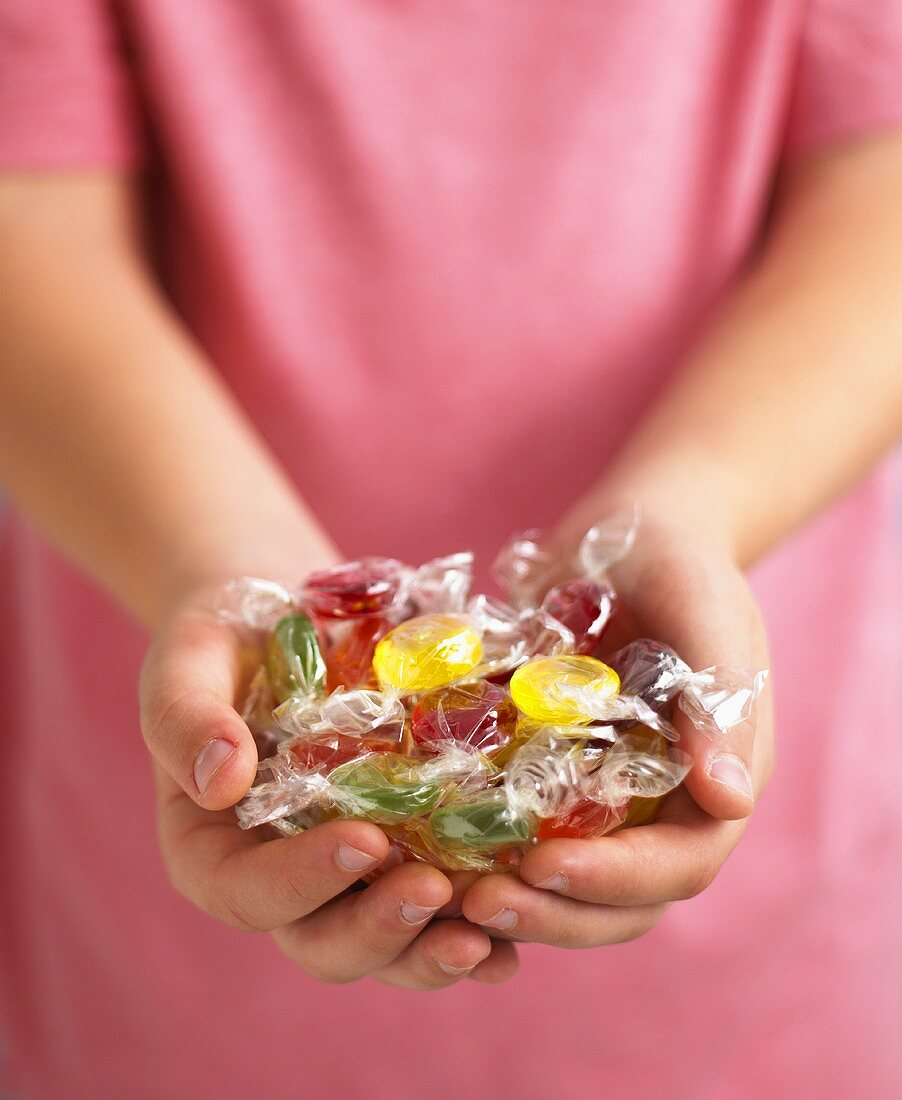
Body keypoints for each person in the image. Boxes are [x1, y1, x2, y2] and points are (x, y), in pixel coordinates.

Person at [0, 2, 900, 1097]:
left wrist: (690, 510)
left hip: (763, 922)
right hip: (173, 878)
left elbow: (880, 183)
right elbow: (27, 223)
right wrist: (221, 564)